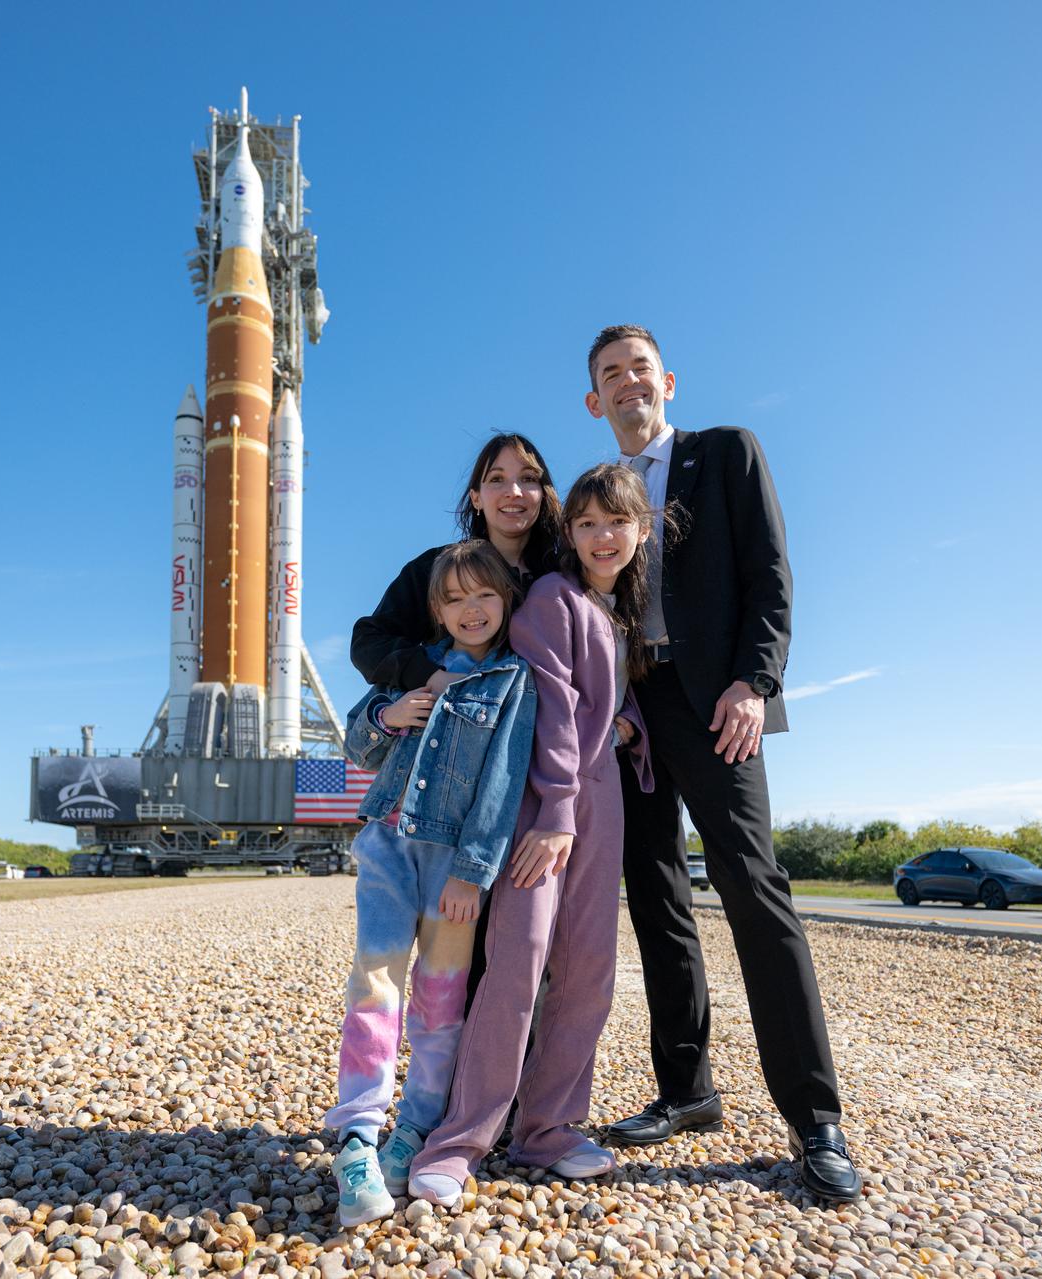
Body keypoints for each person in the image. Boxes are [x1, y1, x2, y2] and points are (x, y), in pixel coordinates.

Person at [585, 324, 863, 1203]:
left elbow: (771, 577)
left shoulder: (726, 453)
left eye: (639, 367)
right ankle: (686, 1088)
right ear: (595, 401)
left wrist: (754, 681)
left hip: (719, 704)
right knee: (656, 895)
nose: (628, 382)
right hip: (637, 712)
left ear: (665, 380)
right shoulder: (601, 498)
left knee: (751, 883)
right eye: (609, 375)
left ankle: (816, 1120)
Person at [406, 463, 657, 1207]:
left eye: (616, 522)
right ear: (567, 531)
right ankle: (459, 1140)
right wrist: (553, 812)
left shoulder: (613, 612)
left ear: (642, 531)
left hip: (602, 807)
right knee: (517, 966)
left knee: (589, 974)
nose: (601, 536)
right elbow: (548, 711)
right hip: (544, 807)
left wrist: (628, 725)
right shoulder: (550, 597)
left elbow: (615, 706)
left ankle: (547, 1126)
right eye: (585, 523)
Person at [325, 540, 538, 1227]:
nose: (470, 609)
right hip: (387, 842)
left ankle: (414, 1127)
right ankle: (357, 1135)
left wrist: (475, 873)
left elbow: (503, 785)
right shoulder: (416, 668)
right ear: (437, 609)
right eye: (454, 598)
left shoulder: (512, 680)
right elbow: (356, 743)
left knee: (441, 1001)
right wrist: (391, 714)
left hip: (453, 863)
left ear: (504, 602)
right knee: (375, 981)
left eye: (484, 595)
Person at [350, 433, 562, 694]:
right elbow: (367, 642)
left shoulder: (563, 575)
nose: (513, 492)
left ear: (543, 493)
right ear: (476, 498)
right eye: (497, 479)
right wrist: (428, 677)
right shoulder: (437, 569)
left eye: (528, 479)